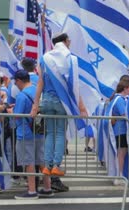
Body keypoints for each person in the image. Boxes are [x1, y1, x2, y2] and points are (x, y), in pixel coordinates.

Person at [30, 32, 87, 178]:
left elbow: (40, 82)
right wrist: (81, 106)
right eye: (69, 41)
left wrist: (35, 104)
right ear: (65, 42)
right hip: (61, 101)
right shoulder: (71, 59)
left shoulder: (45, 58)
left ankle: (47, 165)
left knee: (49, 133)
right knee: (60, 133)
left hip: (46, 100)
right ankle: (56, 165)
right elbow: (75, 86)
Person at [12, 70, 52, 199]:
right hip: (39, 131)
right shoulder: (37, 90)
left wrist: (9, 110)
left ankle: (32, 190)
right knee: (41, 161)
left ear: (18, 80)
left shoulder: (22, 96)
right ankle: (47, 187)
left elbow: (17, 116)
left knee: (29, 162)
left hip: (25, 132)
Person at [104, 80, 129, 185]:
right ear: (125, 89)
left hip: (120, 130)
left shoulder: (117, 99)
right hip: (121, 130)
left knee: (121, 153)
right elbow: (125, 114)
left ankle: (120, 175)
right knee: (121, 154)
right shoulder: (120, 100)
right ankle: (119, 175)